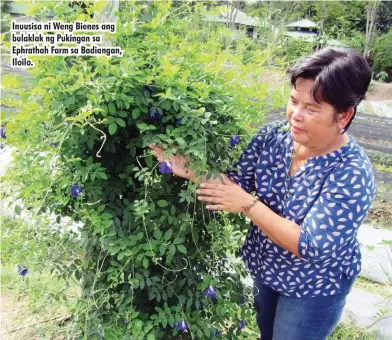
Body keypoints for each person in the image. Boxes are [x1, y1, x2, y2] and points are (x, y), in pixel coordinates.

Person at [148, 47, 377, 340]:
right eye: (294, 101)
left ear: (343, 116)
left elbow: (311, 246)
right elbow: (236, 183)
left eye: (311, 108)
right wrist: (188, 167)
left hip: (313, 287)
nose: (296, 114)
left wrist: (248, 205)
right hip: (267, 269)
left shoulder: (351, 173)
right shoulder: (275, 137)